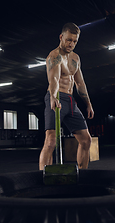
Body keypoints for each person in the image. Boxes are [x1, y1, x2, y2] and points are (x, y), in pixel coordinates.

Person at [39, 22, 94, 170]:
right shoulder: (54, 56)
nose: (71, 44)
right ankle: (44, 177)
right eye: (69, 40)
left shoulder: (76, 58)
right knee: (50, 141)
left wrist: (88, 103)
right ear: (61, 37)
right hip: (55, 97)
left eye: (75, 41)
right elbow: (54, 79)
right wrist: (53, 97)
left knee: (86, 140)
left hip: (70, 101)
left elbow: (80, 83)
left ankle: (82, 174)